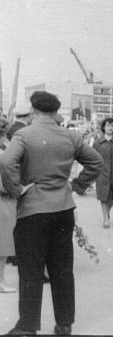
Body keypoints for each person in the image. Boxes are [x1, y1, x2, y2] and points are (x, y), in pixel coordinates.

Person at [0, 90, 103, 336]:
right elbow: (96, 162)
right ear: (56, 111)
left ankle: (27, 326)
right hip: (63, 208)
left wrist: (16, 190)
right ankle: (65, 323)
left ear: (33, 110)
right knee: (62, 269)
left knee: (31, 269)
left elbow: (6, 162)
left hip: (33, 210)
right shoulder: (70, 136)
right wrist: (76, 185)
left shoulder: (24, 135)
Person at [0, 117, 16, 294]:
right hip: (3, 201)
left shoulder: (5, 147)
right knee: (3, 243)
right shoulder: (3, 151)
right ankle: (0, 281)